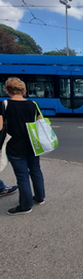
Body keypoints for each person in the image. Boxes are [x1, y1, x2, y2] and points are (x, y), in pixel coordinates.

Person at [0, 77, 46, 215]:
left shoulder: (4, 104)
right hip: (34, 144)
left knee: (22, 176)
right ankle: (39, 197)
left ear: (7, 90)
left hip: (15, 146)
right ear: (24, 90)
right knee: (36, 171)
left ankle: (25, 206)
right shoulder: (33, 104)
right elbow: (42, 123)